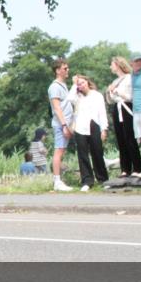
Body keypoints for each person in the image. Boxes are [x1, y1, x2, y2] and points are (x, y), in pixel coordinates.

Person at [105, 56, 141, 178]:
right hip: (117, 108)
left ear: (118, 65)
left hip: (127, 108)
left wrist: (117, 92)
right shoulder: (115, 81)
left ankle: (138, 167)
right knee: (121, 140)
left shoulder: (129, 78)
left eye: (112, 64)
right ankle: (125, 169)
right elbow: (111, 101)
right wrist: (109, 93)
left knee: (130, 138)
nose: (110, 66)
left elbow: (131, 96)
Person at [70, 75, 109, 191]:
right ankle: (87, 181)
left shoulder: (97, 95)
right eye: (79, 84)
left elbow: (102, 113)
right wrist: (73, 84)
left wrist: (104, 129)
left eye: (82, 82)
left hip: (94, 125)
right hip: (80, 127)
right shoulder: (77, 96)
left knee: (97, 152)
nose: (81, 85)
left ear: (87, 82)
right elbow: (69, 99)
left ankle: (103, 179)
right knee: (83, 155)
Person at [48, 58, 74, 191]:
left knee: (62, 150)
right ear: (58, 71)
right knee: (59, 150)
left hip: (68, 123)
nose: (67, 70)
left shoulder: (63, 85)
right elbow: (57, 108)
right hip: (61, 125)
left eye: (67, 68)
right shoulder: (54, 87)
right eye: (65, 68)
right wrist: (64, 125)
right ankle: (57, 181)